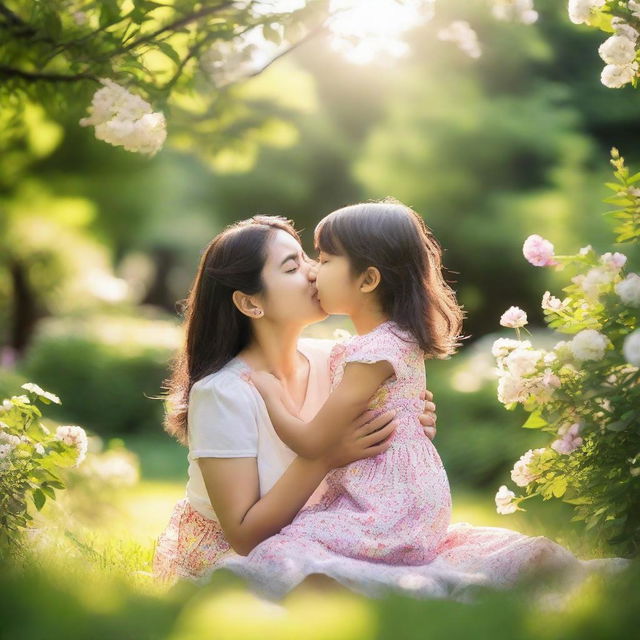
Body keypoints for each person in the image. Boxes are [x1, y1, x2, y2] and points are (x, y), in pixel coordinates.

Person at [216, 199, 630, 602]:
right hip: (411, 503)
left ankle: (352, 585)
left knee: (284, 551)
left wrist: (269, 394)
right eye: (304, 263)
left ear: (367, 280)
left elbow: (311, 443)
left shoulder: (370, 354)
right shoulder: (389, 341)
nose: (313, 274)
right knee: (301, 542)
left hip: (388, 509)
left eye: (323, 260)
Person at [151, 215, 438, 585]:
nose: (315, 273)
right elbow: (244, 536)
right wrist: (328, 457)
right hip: (246, 554)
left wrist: (411, 421)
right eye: (293, 267)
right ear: (251, 303)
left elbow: (394, 408)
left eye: (310, 259)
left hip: (337, 534)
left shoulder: (337, 360)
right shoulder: (223, 393)